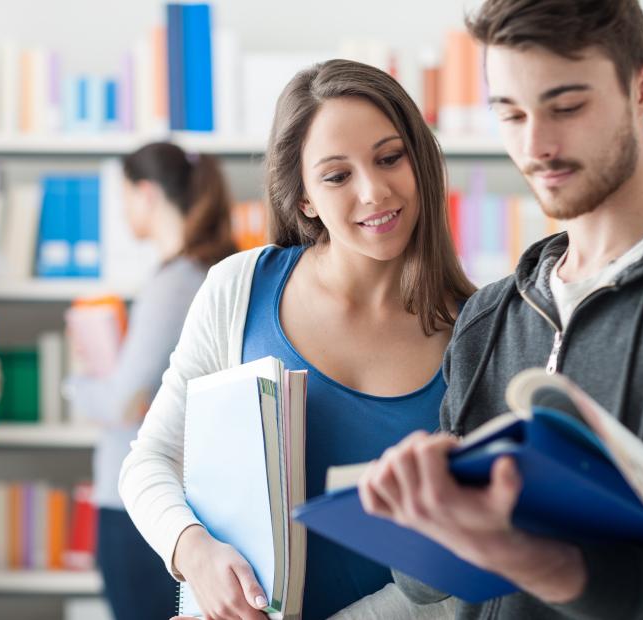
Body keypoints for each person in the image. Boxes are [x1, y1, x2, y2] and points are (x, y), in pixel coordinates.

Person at [358, 0, 643, 618]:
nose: (536, 145)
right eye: (511, 114)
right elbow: (427, 586)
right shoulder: (489, 317)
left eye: (566, 107)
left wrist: (521, 553)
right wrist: (414, 515)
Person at [119, 59, 474, 620]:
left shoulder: (477, 332)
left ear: (420, 160)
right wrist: (194, 552)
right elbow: (150, 460)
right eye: (337, 175)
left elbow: (460, 564)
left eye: (389, 158)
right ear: (304, 196)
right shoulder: (239, 288)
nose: (374, 191)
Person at [65, 142, 235, 620]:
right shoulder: (203, 274)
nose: (122, 211)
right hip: (176, 503)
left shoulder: (175, 283)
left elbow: (124, 401)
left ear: (145, 194)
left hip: (140, 506)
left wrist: (76, 382)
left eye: (123, 196)